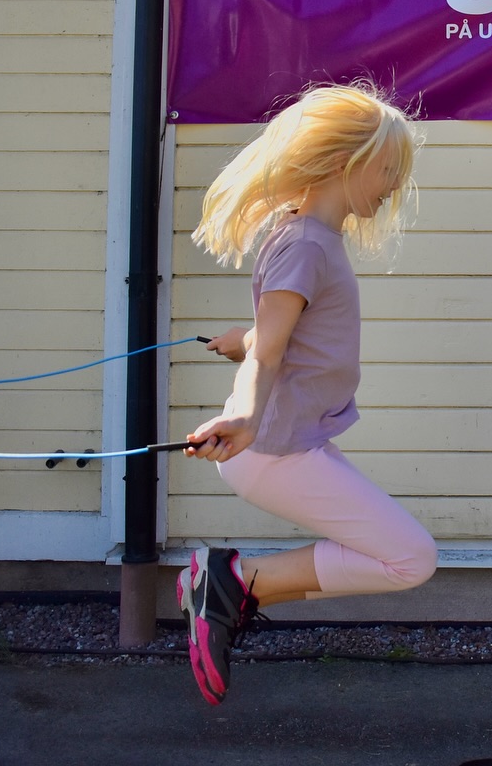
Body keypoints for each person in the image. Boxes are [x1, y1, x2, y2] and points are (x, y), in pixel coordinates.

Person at [179, 82, 438, 705]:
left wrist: (240, 338)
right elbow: (271, 353)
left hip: (290, 443)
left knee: (394, 554)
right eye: (388, 171)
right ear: (346, 162)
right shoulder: (303, 244)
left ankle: (230, 589)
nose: (393, 186)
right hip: (271, 450)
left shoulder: (309, 239)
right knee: (411, 558)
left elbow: (275, 338)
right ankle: (229, 581)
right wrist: (241, 411)